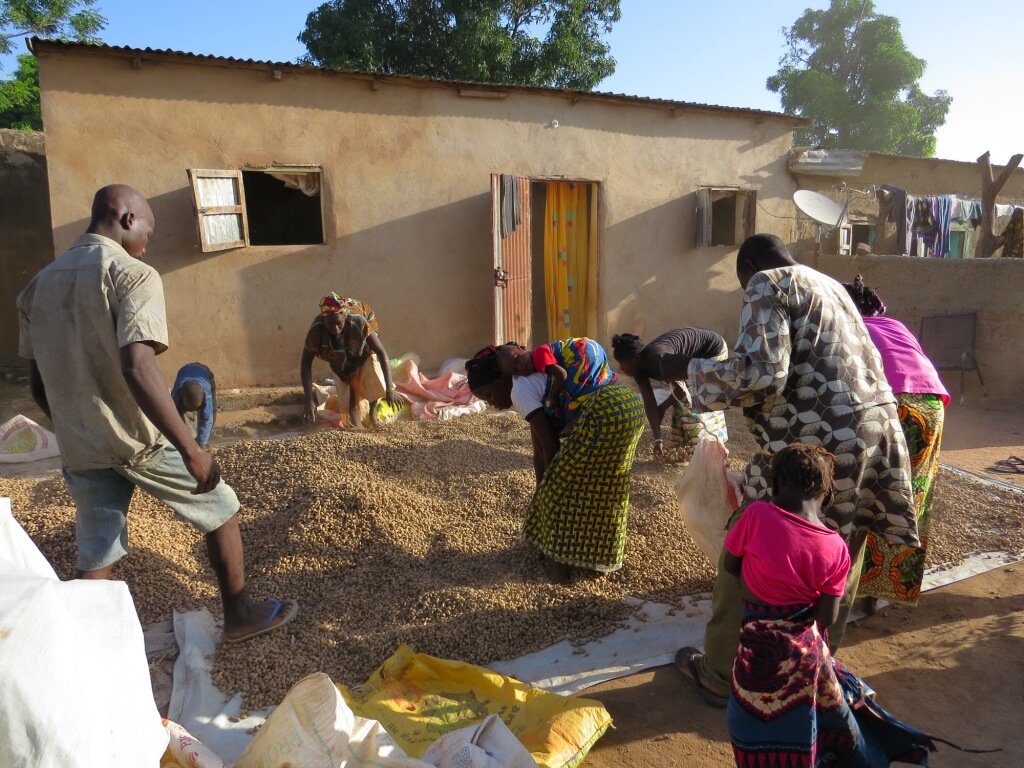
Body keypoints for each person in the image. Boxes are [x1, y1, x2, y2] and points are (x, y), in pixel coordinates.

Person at [16, 184, 296, 643]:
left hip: (82, 444)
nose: (149, 242)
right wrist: (191, 449)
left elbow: (38, 385)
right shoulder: (132, 274)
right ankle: (241, 616)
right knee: (220, 507)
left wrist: (75, 428)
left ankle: (82, 648)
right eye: (150, 229)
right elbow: (138, 366)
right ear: (128, 219)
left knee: (97, 549)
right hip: (137, 438)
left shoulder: (36, 287)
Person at [674, 233, 918, 707]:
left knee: (751, 538)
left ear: (747, 265)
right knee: (840, 547)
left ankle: (723, 673)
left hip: (816, 445)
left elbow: (764, 373)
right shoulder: (832, 286)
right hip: (878, 434)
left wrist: (692, 370)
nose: (747, 292)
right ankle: (811, 667)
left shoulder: (768, 283)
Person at [725, 444, 953, 766]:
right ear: (825, 494)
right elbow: (827, 617)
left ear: (775, 484)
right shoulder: (836, 547)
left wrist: (761, 591)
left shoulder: (756, 516)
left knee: (749, 717)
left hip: (755, 648)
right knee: (820, 713)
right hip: (803, 658)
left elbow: (730, 566)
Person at [466, 338, 644, 582]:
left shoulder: (519, 390)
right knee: (603, 490)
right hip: (629, 406)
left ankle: (557, 567)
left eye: (488, 395)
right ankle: (599, 559)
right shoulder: (531, 381)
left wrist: (548, 490)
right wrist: (542, 486)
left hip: (604, 412)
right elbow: (537, 448)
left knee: (560, 493)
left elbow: (550, 445)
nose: (492, 404)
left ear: (501, 379)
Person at [843, 275, 950, 606]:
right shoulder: (895, 325)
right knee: (912, 495)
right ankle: (888, 590)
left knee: (868, 493)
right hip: (930, 406)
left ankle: (852, 587)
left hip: (892, 403)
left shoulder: (847, 328)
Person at [611, 328, 729, 462]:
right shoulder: (638, 368)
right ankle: (684, 449)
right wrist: (658, 439)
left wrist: (662, 408)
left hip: (712, 350)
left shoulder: (661, 362)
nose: (620, 368)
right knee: (682, 405)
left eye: (623, 364)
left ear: (636, 359)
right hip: (689, 357)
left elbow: (683, 390)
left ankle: (708, 451)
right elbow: (649, 403)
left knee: (692, 404)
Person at [300, 292, 405, 428]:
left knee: (372, 369)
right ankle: (355, 418)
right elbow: (305, 364)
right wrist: (308, 399)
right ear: (324, 320)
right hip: (338, 357)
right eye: (331, 324)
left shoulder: (359, 322)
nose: (335, 329)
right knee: (348, 386)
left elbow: (381, 352)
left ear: (345, 316)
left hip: (362, 345)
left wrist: (390, 389)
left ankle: (373, 410)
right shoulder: (316, 331)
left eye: (339, 324)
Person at [495, 343, 568, 411]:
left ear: (523, 348)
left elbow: (561, 374)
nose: (519, 367)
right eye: (516, 370)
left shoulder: (539, 355)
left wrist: (553, 397)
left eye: (516, 359)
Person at [171, 362, 216, 449]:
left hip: (204, 371)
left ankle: (205, 438)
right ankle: (190, 438)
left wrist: (202, 443)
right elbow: (173, 414)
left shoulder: (207, 396)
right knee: (181, 413)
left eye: (196, 407)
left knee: (210, 412)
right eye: (190, 408)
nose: (193, 410)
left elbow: (208, 418)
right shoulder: (176, 394)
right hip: (184, 370)